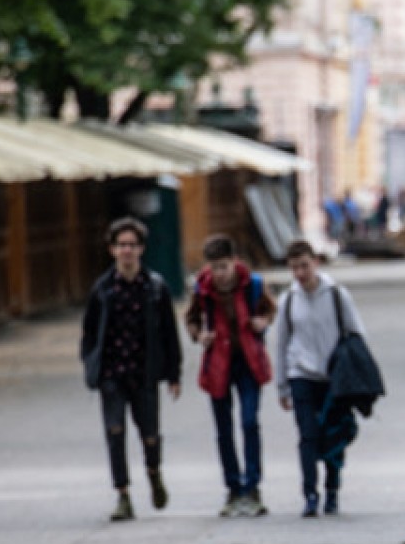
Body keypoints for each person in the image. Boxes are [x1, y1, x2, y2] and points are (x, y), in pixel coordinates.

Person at [79, 217, 182, 522]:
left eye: (132, 245)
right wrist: (91, 365)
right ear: (112, 250)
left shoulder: (155, 287)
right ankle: (123, 494)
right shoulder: (102, 289)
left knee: (149, 434)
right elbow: (89, 332)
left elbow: (169, 334)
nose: (127, 251)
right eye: (121, 245)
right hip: (112, 372)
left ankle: (153, 472)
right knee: (115, 432)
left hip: (144, 372)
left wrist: (173, 374)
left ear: (141, 249)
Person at [272, 240, 369, 517]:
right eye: (294, 268)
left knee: (334, 434)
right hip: (300, 374)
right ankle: (310, 494)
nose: (300, 273)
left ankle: (333, 490)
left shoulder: (337, 295)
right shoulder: (288, 300)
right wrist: (282, 386)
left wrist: (357, 377)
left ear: (315, 262)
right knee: (308, 435)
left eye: (304, 266)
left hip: (333, 378)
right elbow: (281, 344)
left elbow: (357, 334)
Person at [185, 234, 276, 517]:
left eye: (224, 266)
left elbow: (270, 309)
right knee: (223, 430)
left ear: (235, 262)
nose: (220, 274)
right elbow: (191, 318)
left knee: (249, 422)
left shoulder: (254, 284)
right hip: (218, 366)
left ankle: (253, 486)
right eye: (215, 267)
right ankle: (233, 488)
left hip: (248, 362)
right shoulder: (202, 290)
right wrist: (200, 335)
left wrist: (262, 322)